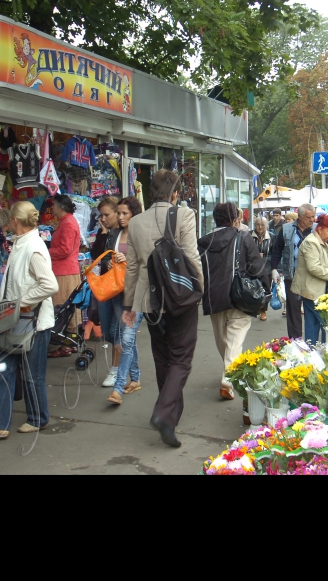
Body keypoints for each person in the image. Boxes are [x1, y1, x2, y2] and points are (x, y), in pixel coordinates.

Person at [122, 169, 204, 448]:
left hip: (149, 299)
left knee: (162, 357)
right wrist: (200, 288)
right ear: (176, 194)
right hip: (180, 297)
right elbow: (191, 255)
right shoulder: (184, 215)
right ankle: (163, 413)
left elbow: (132, 268)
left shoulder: (135, 223)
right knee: (181, 358)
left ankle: (171, 414)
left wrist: (128, 304)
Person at [0, 201, 58, 440]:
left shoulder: (32, 247)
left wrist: (21, 303)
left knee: (32, 375)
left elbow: (50, 285)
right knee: (4, 370)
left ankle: (38, 418)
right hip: (15, 321)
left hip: (34, 323)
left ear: (14, 221)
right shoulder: (21, 244)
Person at [198, 203, 269, 400]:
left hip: (214, 298)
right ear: (235, 219)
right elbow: (256, 267)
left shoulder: (203, 242)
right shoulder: (243, 237)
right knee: (234, 343)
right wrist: (265, 297)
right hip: (240, 297)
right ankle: (228, 380)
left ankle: (228, 372)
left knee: (223, 342)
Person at [107, 196, 144, 406]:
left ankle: (118, 388)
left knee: (127, 339)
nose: (120, 217)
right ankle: (136, 378)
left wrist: (128, 260)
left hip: (138, 294)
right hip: (117, 291)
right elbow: (105, 257)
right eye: (118, 213)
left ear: (134, 215)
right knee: (125, 337)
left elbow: (148, 263)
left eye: (124, 213)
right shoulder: (114, 234)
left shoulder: (141, 235)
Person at [291, 214, 328, 344]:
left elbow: (325, 264)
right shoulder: (311, 242)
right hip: (312, 291)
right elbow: (314, 268)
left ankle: (312, 352)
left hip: (315, 290)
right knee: (324, 324)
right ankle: (319, 351)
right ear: (320, 228)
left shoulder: (321, 242)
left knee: (313, 325)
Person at [270, 203, 317, 339]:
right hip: (292, 276)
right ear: (300, 216)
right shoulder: (286, 229)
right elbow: (277, 251)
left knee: (311, 310)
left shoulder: (316, 230)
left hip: (312, 278)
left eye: (313, 217)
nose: (312, 220)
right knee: (293, 310)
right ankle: (296, 340)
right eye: (309, 217)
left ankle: (311, 341)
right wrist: (274, 269)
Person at [90, 195, 123, 386]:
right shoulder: (106, 233)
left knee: (117, 330)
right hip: (104, 286)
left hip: (118, 287)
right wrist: (103, 233)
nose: (103, 219)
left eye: (106, 215)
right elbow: (96, 255)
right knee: (108, 331)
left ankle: (117, 370)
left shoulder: (124, 233)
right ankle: (121, 366)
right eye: (100, 215)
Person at [48, 194, 81, 358]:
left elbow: (65, 250)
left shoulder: (67, 223)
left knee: (61, 309)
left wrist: (47, 252)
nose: (51, 208)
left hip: (64, 272)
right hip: (65, 271)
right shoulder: (66, 221)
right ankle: (69, 343)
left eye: (53, 205)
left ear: (60, 207)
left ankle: (65, 344)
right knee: (66, 309)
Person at [251, 216, 274, 321]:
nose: (260, 227)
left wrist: (264, 257)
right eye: (257, 225)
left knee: (266, 289)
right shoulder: (248, 236)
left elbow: (275, 254)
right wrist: (255, 255)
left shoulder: (272, 237)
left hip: (267, 268)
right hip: (252, 268)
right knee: (252, 289)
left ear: (267, 226)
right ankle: (253, 308)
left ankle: (263, 311)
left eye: (263, 225)